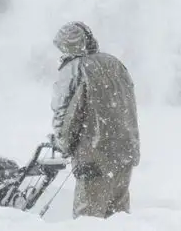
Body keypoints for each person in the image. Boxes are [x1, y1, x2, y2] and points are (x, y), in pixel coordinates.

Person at [50, 21, 140, 219]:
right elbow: (128, 106)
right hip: (124, 153)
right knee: (118, 218)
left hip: (93, 156)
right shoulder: (115, 63)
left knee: (88, 220)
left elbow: (65, 114)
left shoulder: (74, 69)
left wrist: (63, 143)